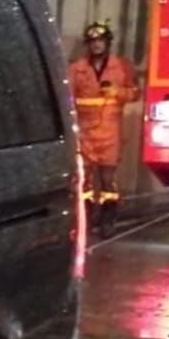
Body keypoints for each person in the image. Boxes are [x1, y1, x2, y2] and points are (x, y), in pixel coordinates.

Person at [70, 20, 136, 213]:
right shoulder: (77, 68)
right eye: (93, 41)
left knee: (107, 180)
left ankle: (109, 215)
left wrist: (118, 92)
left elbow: (135, 93)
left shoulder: (121, 66)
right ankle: (86, 216)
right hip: (85, 134)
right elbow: (68, 96)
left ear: (107, 43)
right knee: (84, 180)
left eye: (100, 40)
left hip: (110, 134)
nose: (96, 44)